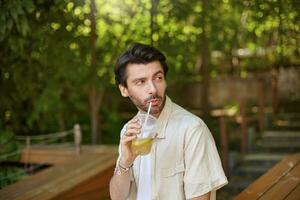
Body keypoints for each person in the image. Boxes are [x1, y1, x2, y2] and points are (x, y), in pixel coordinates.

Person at [109, 43, 228, 200]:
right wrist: (125, 161)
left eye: (158, 78)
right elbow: (117, 197)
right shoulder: (129, 130)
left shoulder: (191, 129)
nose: (152, 89)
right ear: (124, 90)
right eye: (141, 82)